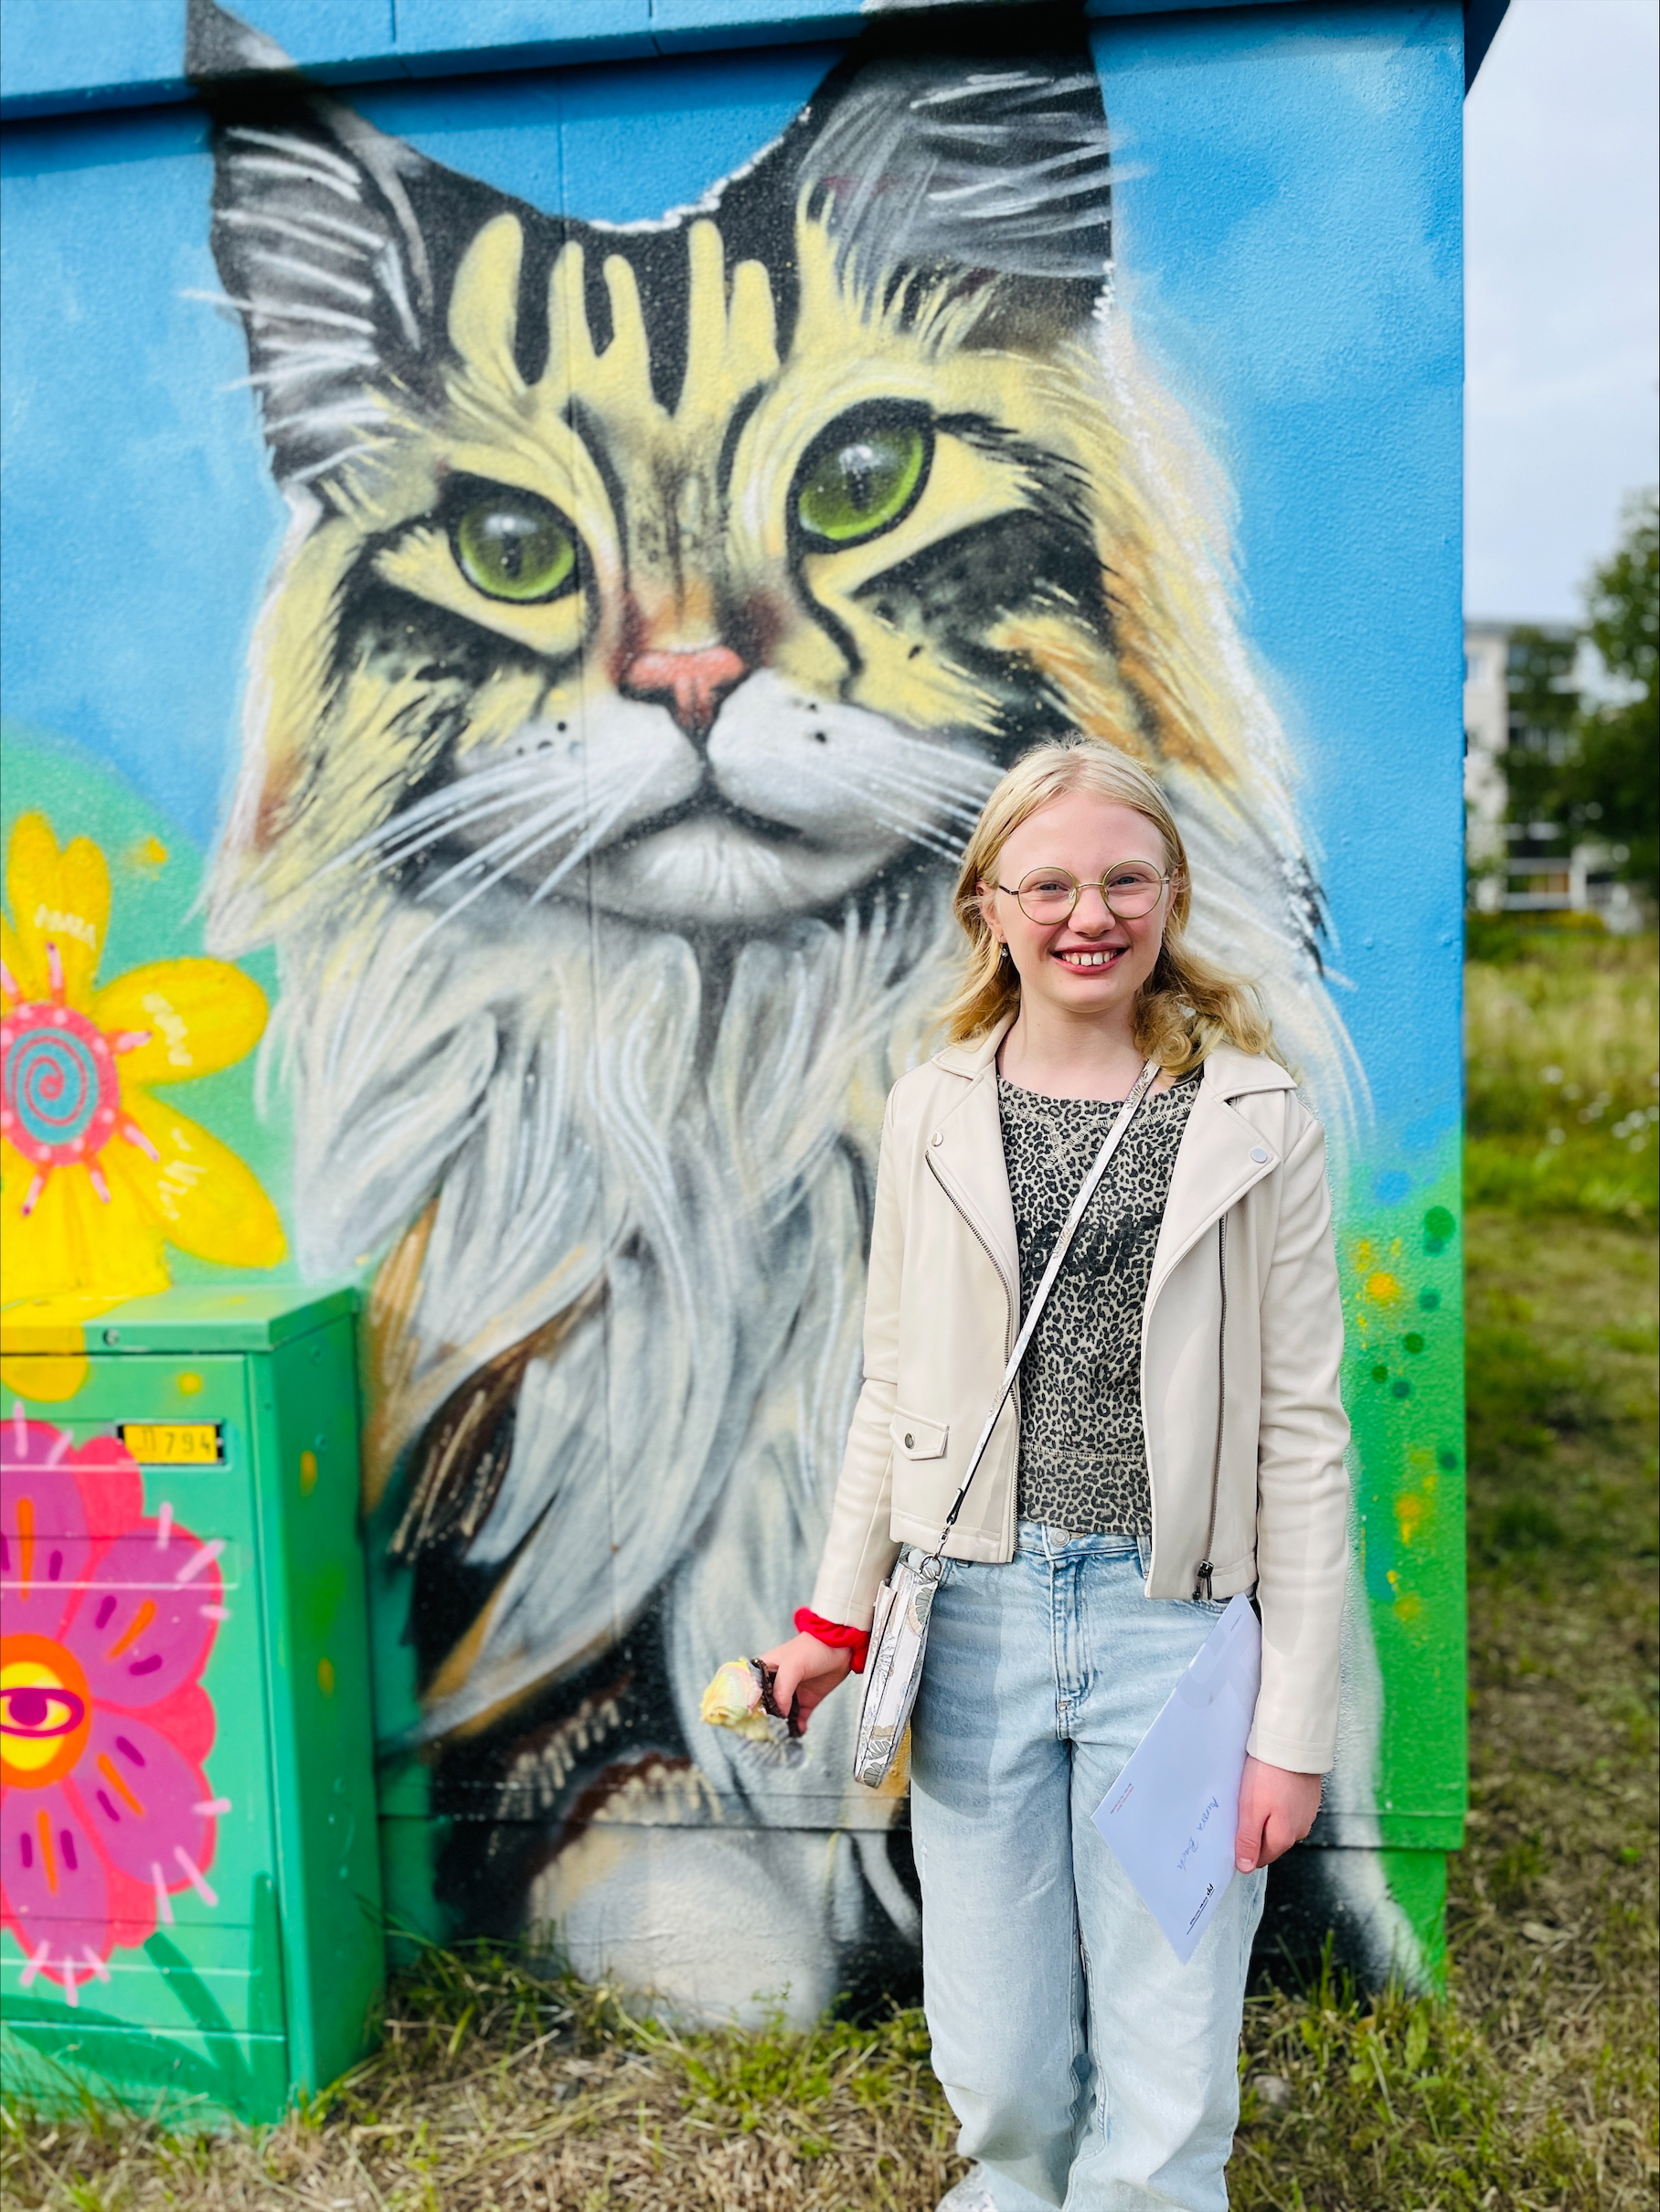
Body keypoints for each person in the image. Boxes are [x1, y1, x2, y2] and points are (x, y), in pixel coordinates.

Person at [761, 738, 1351, 2211]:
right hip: (978, 1625)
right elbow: (890, 1387)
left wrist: (1293, 1728)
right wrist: (834, 1623)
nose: (1090, 914)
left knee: (1167, 2077)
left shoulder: (1256, 1118)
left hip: (1179, 1633)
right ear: (991, 908)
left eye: (1124, 879)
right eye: (1051, 884)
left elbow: (1304, 1433)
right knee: (1007, 2070)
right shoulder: (932, 1111)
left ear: (1170, 896)